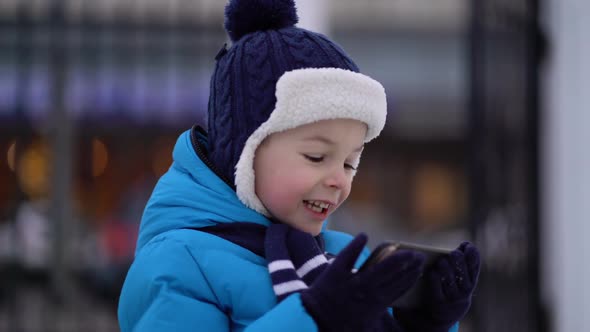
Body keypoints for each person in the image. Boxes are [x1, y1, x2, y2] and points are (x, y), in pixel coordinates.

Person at [117, 0, 480, 331]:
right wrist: (316, 317)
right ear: (245, 151)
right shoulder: (179, 264)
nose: (339, 180)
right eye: (317, 157)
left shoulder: (338, 256)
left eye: (351, 163)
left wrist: (425, 322)